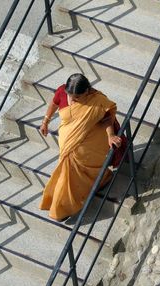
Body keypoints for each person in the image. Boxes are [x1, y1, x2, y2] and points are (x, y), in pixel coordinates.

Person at [39, 73, 124, 221]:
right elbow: (54, 103)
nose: (72, 99)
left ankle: (61, 209)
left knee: (69, 174)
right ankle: (102, 178)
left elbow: (107, 119)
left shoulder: (97, 101)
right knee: (70, 171)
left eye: (76, 97)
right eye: (69, 95)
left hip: (89, 140)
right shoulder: (62, 91)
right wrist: (45, 121)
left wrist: (110, 136)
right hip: (67, 141)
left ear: (86, 91)